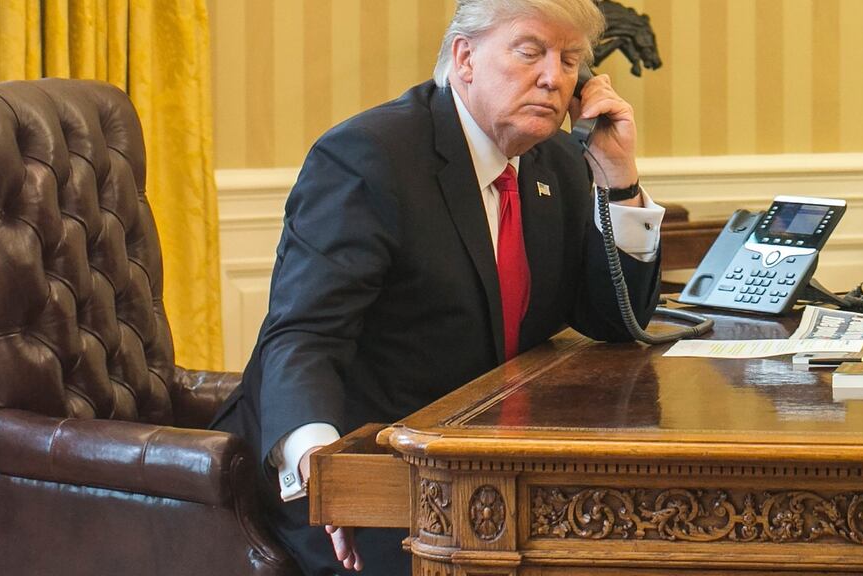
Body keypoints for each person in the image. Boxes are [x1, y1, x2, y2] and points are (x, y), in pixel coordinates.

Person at [211, 0, 665, 573]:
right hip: (371, 476)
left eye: (571, 60)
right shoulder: (369, 158)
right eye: (531, 52)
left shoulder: (559, 163)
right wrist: (325, 468)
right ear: (465, 57)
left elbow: (613, 320)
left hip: (486, 474)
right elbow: (303, 334)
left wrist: (619, 180)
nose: (554, 77)